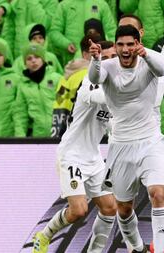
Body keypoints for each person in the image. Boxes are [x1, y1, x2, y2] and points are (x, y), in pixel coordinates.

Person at [88, 25, 164, 253]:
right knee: (123, 208)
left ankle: (162, 249)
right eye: (120, 44)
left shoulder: (149, 61)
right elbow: (95, 76)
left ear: (137, 44)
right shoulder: (107, 66)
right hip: (121, 146)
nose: (125, 49)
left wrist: (145, 54)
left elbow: (161, 67)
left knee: (158, 193)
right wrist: (95, 58)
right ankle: (136, 247)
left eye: (130, 44)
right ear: (114, 46)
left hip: (151, 141)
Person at [32, 42, 118, 253]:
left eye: (113, 57)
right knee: (79, 210)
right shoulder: (89, 81)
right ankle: (44, 236)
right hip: (71, 155)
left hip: (94, 158)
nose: (111, 62)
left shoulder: (115, 89)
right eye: (105, 58)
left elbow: (112, 126)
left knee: (110, 207)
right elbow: (97, 97)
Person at [51, 34, 102, 138]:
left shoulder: (65, 77)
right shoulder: (95, 75)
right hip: (92, 135)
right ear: (84, 54)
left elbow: (59, 105)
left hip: (70, 133)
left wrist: (56, 136)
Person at [13, 43, 61, 137]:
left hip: (60, 134)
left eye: (37, 57)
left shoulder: (57, 79)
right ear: (25, 63)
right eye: (29, 58)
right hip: (38, 137)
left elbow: (67, 105)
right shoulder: (23, 85)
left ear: (43, 59)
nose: (33, 61)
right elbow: (20, 113)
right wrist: (20, 138)